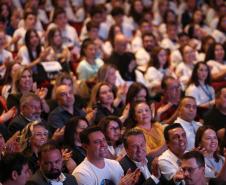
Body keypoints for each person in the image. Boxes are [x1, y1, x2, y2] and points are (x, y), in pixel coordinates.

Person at [72, 126, 140, 185]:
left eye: (103, 140)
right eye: (97, 142)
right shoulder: (82, 173)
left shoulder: (115, 164)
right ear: (85, 146)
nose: (103, 145)